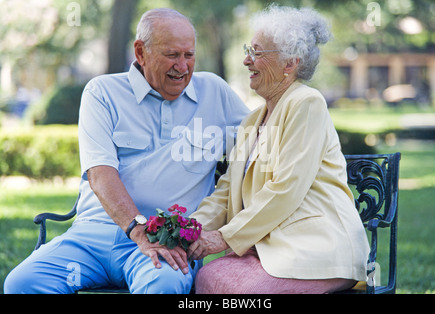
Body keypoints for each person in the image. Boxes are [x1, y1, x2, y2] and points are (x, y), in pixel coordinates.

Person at [4, 8, 249, 294]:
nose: (182, 67)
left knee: (164, 286)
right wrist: (138, 230)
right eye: (171, 55)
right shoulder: (102, 92)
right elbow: (100, 175)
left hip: (167, 242)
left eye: (189, 55)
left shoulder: (215, 93)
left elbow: (264, 138)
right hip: (93, 237)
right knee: (22, 283)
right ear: (141, 52)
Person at [187, 5, 370, 294]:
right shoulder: (251, 120)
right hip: (269, 250)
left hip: (315, 250)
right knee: (209, 276)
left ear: (290, 64)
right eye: (249, 50)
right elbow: (224, 193)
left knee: (245, 293)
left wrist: (224, 237)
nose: (246, 60)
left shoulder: (307, 103)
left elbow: (286, 187)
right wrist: (187, 230)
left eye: (257, 53)